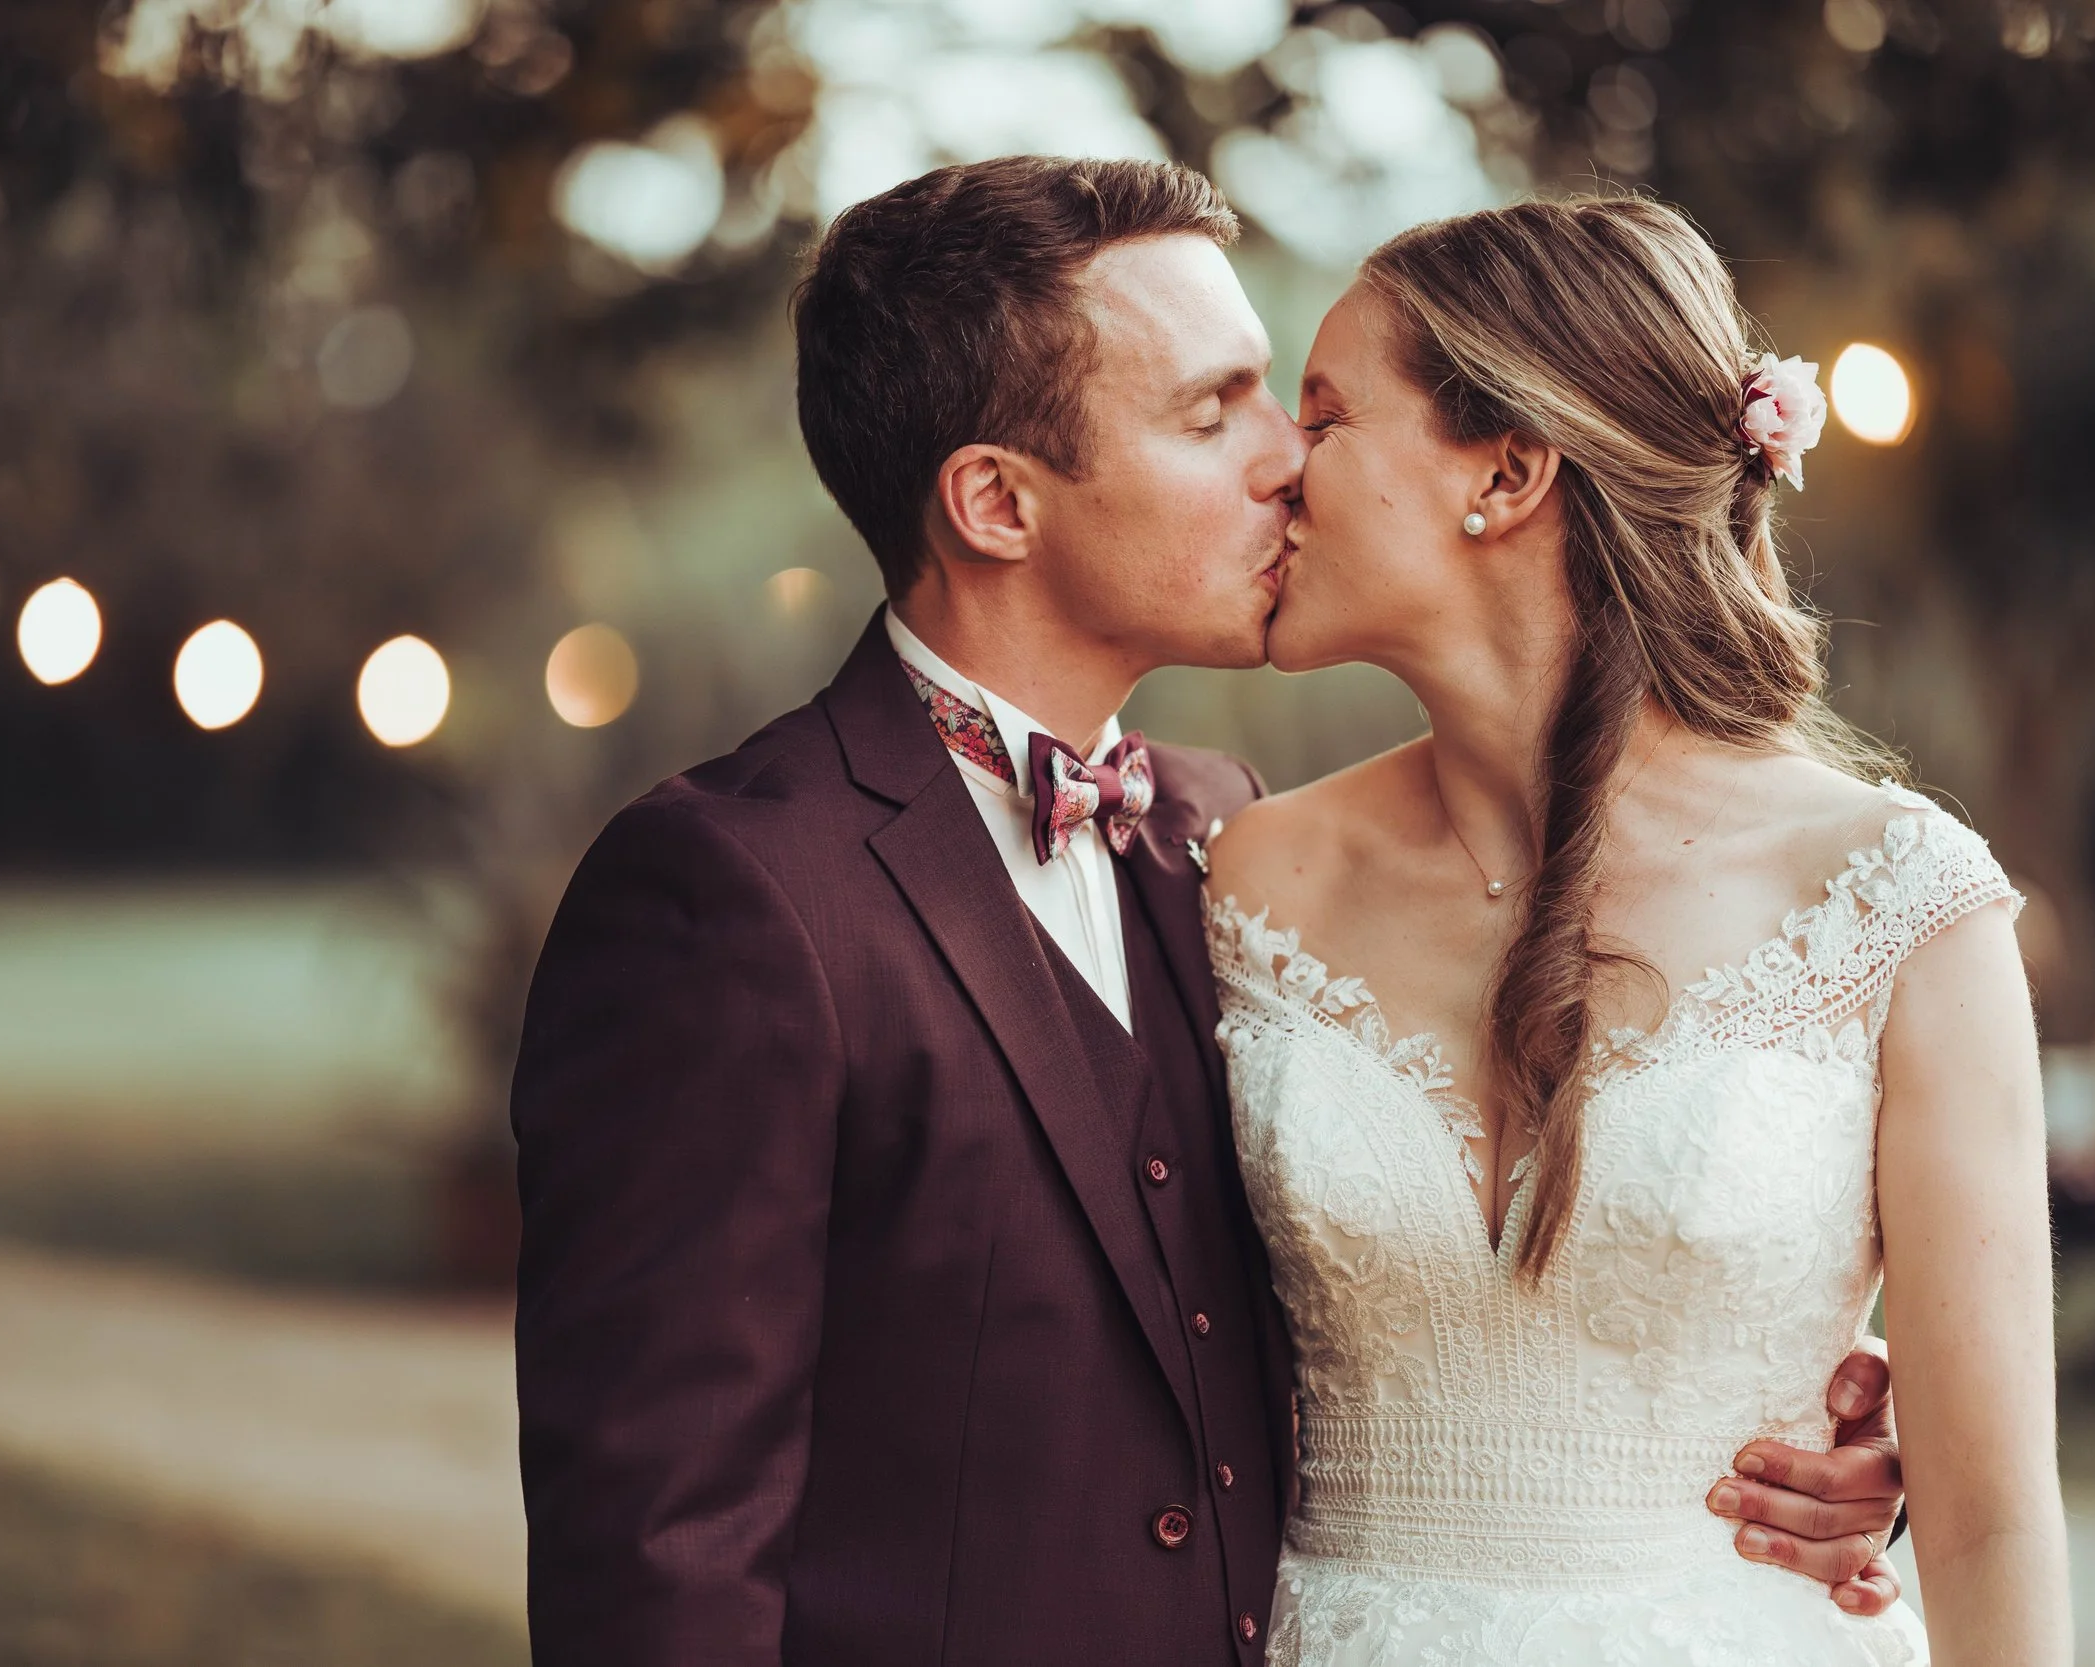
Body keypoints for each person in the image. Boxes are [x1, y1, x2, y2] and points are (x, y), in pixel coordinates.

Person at [511, 158, 1910, 1667]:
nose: (1288, 463)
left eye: (1286, 403)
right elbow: (658, 1564)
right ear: (996, 501)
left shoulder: (1233, 838)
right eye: (1213, 411)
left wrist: (1795, 1403)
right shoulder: (729, 898)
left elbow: (1421, 1285)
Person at [1205, 198, 2069, 1664]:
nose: (1282, 465)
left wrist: (1886, 1462)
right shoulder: (1245, 876)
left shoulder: (1894, 899)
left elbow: (1993, 1520)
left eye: (1328, 412)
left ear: (1507, 469)